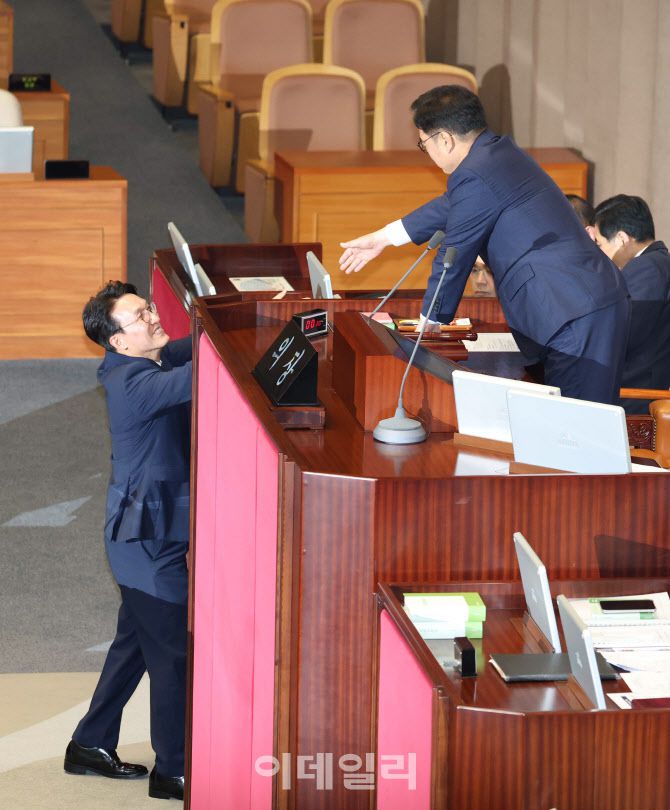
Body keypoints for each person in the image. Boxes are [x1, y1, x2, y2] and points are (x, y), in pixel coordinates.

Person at [339, 85, 631, 404]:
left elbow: (454, 252)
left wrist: (428, 324)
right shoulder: (497, 154)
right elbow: (450, 206)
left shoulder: (478, 174)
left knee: (576, 429)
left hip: (571, 312)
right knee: (575, 422)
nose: (428, 152)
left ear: (445, 139)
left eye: (423, 144)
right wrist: (383, 238)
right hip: (581, 305)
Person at [64, 281, 192, 801]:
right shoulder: (135, 384)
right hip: (146, 546)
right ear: (118, 341)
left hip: (149, 531)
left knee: (136, 644)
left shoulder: (144, 359)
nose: (155, 318)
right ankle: (173, 770)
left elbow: (200, 345)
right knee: (173, 656)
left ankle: (89, 744)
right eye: (141, 317)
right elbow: (208, 374)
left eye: (150, 308)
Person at [594, 195, 670, 413]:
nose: (599, 252)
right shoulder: (658, 262)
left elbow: (625, 332)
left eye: (599, 243)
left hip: (635, 392)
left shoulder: (646, 268)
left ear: (621, 238)